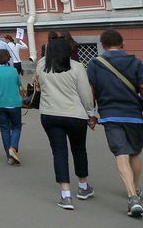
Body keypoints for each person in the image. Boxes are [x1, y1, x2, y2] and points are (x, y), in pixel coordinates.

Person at [86, 29, 143, 218]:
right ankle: (135, 188)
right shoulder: (135, 62)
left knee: (121, 153)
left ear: (102, 45)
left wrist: (92, 115)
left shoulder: (95, 64)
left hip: (110, 115)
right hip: (135, 115)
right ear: (122, 43)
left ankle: (132, 197)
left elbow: (91, 92)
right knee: (134, 152)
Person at [35, 37, 96, 210]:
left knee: (59, 152)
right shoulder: (77, 67)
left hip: (50, 114)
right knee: (79, 149)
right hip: (75, 115)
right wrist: (91, 114)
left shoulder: (42, 66)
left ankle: (65, 194)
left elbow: (38, 87)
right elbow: (85, 93)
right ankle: (83, 187)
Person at [0, 49, 25, 165]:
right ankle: (13, 147)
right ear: (8, 58)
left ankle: (9, 156)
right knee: (16, 127)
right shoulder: (13, 71)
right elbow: (19, 85)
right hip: (14, 104)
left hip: (0, 105)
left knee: (4, 128)